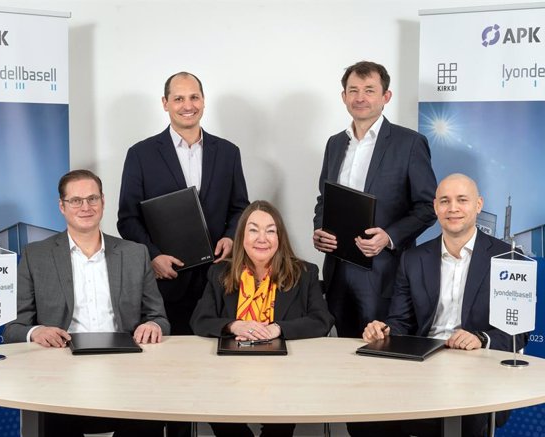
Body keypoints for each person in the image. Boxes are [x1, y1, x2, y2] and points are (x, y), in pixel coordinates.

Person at [358, 173, 528, 437]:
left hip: (478, 368)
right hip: (422, 367)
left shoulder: (510, 259)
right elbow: (400, 322)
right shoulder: (412, 259)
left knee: (464, 420)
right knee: (369, 417)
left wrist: (481, 339)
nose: (453, 209)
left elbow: (519, 331)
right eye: (445, 201)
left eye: (462, 200)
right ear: (436, 207)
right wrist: (384, 331)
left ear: (479, 205)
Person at [3, 169, 169, 437]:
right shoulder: (36, 255)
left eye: (92, 198)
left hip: (127, 370)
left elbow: (160, 318)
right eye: (76, 200)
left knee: (148, 421)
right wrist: (37, 332)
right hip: (61, 373)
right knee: (54, 423)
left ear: (103, 201)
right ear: (62, 206)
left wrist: (153, 325)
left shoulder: (135, 253)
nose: (86, 207)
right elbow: (13, 328)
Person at [118, 71, 250, 337]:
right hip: (167, 280)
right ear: (165, 103)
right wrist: (153, 256)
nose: (188, 106)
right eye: (178, 98)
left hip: (219, 279)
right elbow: (128, 219)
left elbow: (240, 208)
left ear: (203, 100)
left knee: (219, 359)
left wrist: (230, 236)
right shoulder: (140, 154)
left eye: (194, 97)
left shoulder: (228, 152)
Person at [313, 60, 437, 338]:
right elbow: (324, 198)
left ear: (386, 97)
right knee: (341, 353)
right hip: (337, 271)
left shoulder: (409, 143)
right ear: (343, 97)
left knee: (381, 354)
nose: (360, 98)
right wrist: (318, 229)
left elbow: (429, 207)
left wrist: (389, 237)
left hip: (384, 273)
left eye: (369, 90)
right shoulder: (335, 143)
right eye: (353, 90)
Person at [191, 200, 335, 437]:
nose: (262, 238)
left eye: (270, 231)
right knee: (216, 409)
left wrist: (278, 328)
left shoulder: (305, 273)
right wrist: (233, 324)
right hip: (228, 378)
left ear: (280, 238)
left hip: (285, 379)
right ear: (242, 236)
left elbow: (322, 320)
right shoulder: (219, 273)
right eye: (254, 230)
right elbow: (200, 319)